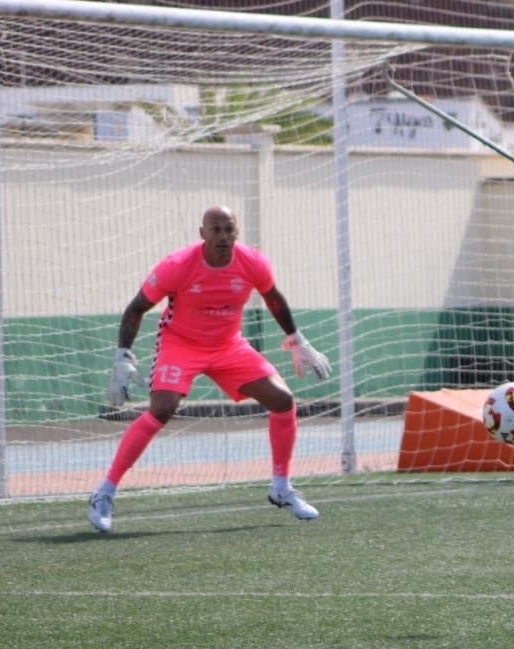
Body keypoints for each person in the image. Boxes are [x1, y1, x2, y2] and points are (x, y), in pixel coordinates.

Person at [87, 205, 332, 533]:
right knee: (162, 409)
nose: (223, 236)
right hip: (181, 345)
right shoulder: (177, 266)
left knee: (283, 400)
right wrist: (122, 356)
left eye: (229, 230)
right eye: (215, 230)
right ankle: (105, 492)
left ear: (237, 233)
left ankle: (281, 487)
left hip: (229, 346)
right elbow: (137, 308)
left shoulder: (253, 262)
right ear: (202, 233)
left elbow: (273, 298)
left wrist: (298, 340)